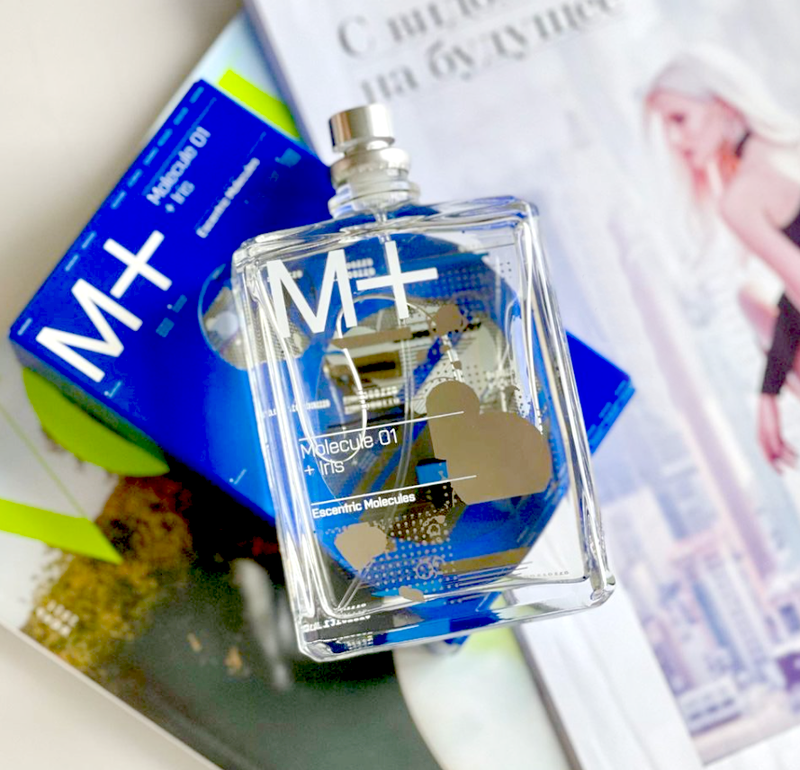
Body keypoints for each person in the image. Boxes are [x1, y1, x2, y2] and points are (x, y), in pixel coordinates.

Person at [646, 47, 800, 472]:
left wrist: (769, 391)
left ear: (721, 104)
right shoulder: (789, 143)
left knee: (749, 299)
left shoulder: (743, 196)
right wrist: (769, 389)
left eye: (679, 119)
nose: (675, 140)